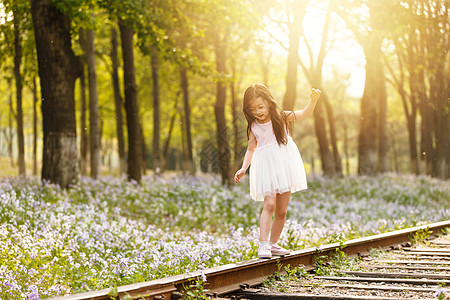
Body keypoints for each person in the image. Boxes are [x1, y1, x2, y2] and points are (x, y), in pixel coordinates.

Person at [234, 83, 321, 259]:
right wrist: (244, 168)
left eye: (260, 107)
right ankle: (263, 244)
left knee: (281, 210)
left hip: (284, 164)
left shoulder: (281, 117)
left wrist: (313, 101)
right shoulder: (254, 126)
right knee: (269, 204)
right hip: (266, 166)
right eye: (252, 109)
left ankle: (273, 244)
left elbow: (304, 113)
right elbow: (251, 148)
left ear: (268, 102)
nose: (258, 112)